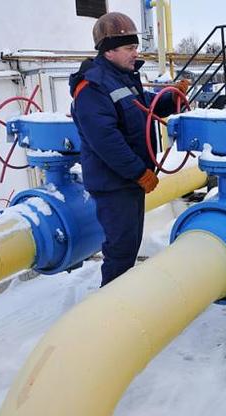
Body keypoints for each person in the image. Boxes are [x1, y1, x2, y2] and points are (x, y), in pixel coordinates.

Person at [69, 12, 190, 287]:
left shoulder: (122, 78)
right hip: (114, 184)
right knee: (120, 251)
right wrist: (139, 172)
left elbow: (146, 105)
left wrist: (173, 97)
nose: (136, 53)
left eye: (135, 47)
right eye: (129, 48)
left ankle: (122, 298)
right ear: (108, 50)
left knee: (129, 246)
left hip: (129, 181)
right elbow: (106, 140)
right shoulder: (92, 87)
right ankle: (111, 305)